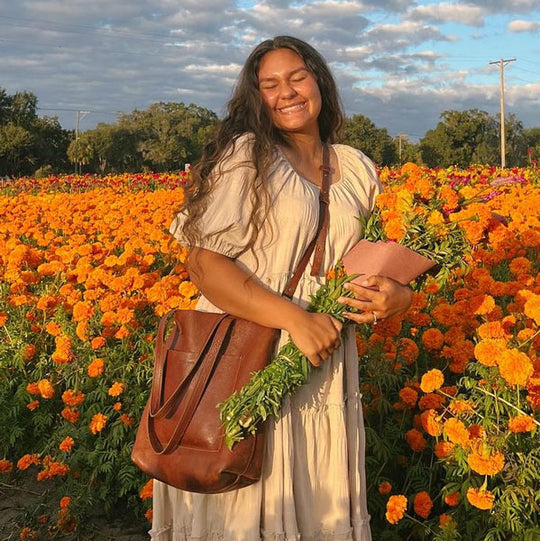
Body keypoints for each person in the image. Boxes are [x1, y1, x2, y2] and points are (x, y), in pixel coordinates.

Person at [154, 35, 412, 541]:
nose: (286, 92)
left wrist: (400, 298)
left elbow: (368, 264)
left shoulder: (357, 167)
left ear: (319, 80)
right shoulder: (247, 156)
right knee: (245, 497)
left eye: (296, 77)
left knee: (314, 499)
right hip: (246, 348)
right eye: (269, 84)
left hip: (323, 357)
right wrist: (295, 319)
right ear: (257, 97)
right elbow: (204, 264)